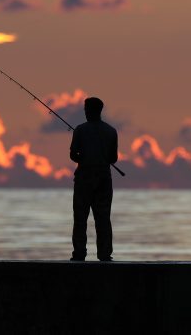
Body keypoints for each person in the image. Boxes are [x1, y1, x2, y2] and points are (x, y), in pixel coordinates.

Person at [69, 96, 118, 261]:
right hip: (104, 179)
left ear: (89, 110)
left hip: (83, 179)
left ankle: (79, 254)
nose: (85, 112)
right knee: (103, 218)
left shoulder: (80, 130)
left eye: (85, 109)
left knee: (80, 218)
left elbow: (72, 155)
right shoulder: (111, 131)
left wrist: (83, 157)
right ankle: (105, 254)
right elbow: (113, 158)